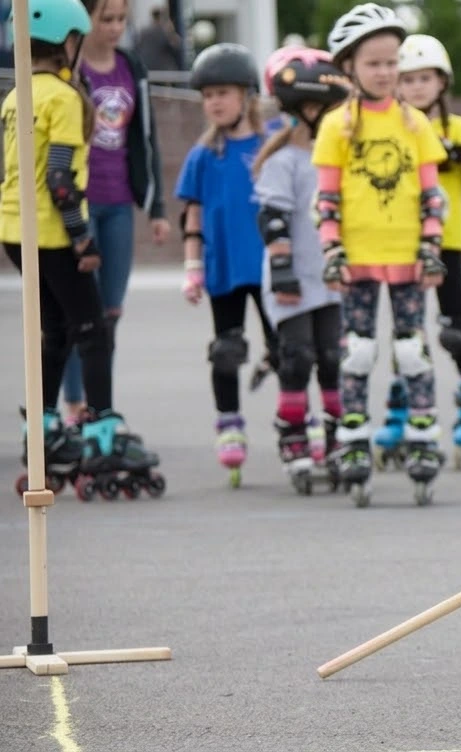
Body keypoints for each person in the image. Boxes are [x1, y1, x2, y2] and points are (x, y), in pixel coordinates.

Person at [3, 0, 162, 500]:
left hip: (14, 230)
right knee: (93, 331)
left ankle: (44, 432)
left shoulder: (15, 97)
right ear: (69, 41)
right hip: (53, 231)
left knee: (55, 333)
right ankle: (101, 436)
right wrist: (83, 240)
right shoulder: (64, 98)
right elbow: (60, 179)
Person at [314, 3, 449, 508]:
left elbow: (431, 194)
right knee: (357, 351)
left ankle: (422, 436)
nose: (386, 72)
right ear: (349, 66)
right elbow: (326, 198)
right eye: (374, 62)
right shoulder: (336, 127)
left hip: (409, 257)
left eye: (391, 61)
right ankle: (352, 440)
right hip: (358, 257)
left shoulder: (414, 123)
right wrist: (331, 248)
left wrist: (432, 246)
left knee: (412, 349)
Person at [389, 33, 461, 471]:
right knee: (407, 334)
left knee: (454, 328)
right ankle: (401, 409)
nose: (416, 87)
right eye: (408, 79)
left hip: (447, 243)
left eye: (424, 78)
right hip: (397, 243)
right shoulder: (391, 130)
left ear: (442, 82)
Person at [59, 0, 171, 424]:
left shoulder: (131, 66)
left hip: (120, 202)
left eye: (121, 19)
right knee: (78, 313)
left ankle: (98, 402)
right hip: (79, 206)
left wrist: (156, 206)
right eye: (105, 18)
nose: (115, 27)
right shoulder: (70, 69)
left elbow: (146, 137)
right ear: (84, 19)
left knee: (110, 313)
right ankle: (73, 404)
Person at [176, 42, 276, 489]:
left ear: (247, 95)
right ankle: (229, 423)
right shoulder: (203, 156)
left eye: (223, 92)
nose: (213, 101)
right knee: (226, 349)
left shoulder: (269, 143)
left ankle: (301, 417)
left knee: (292, 350)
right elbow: (192, 215)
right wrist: (192, 267)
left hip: (273, 266)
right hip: (224, 267)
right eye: (207, 94)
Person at [254, 46, 352, 496]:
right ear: (304, 111)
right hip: (292, 280)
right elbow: (271, 218)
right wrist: (281, 270)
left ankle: (335, 440)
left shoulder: (337, 163)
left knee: (334, 361)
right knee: (297, 360)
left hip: (332, 280)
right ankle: (294, 436)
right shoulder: (284, 162)